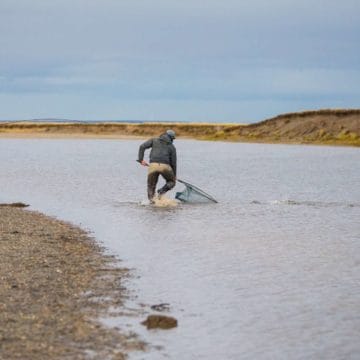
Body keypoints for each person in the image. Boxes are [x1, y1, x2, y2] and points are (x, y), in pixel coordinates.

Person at [138, 129, 177, 202]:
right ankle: (161, 191)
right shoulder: (172, 147)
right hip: (165, 167)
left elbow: (142, 146)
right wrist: (174, 175)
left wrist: (141, 160)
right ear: (171, 138)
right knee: (172, 182)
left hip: (153, 165)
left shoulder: (154, 140)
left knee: (151, 186)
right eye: (173, 139)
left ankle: (152, 202)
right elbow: (173, 163)